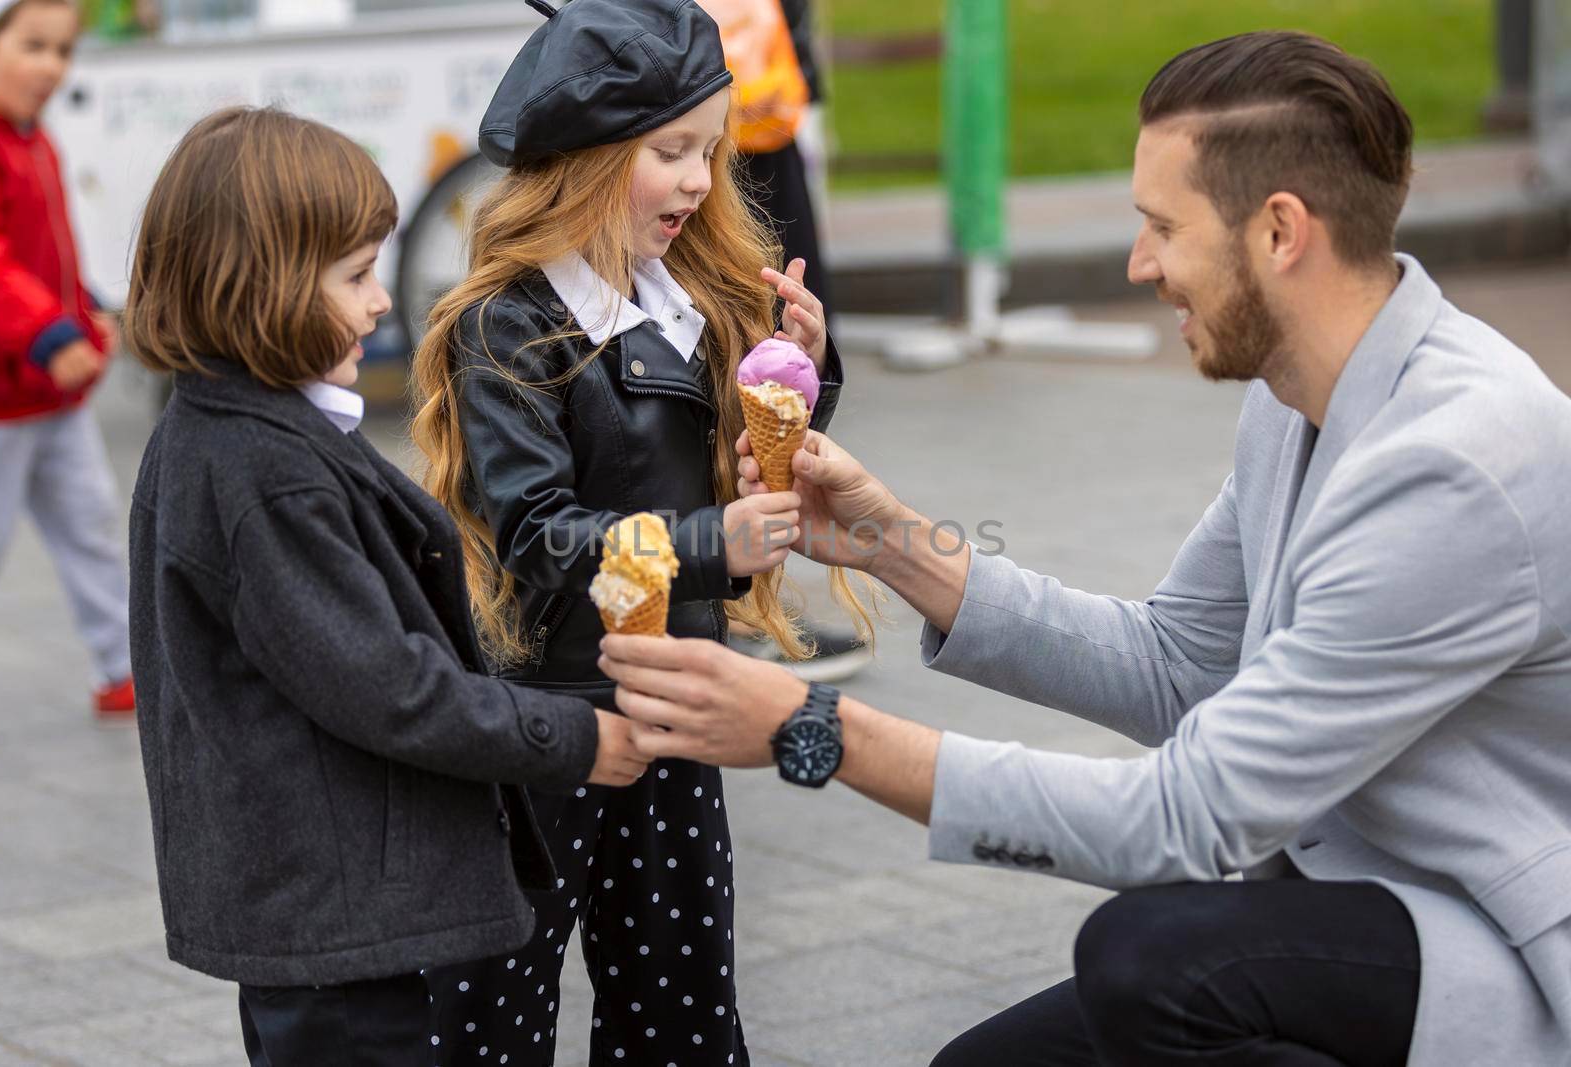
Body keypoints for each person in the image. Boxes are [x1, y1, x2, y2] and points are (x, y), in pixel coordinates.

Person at [598, 30, 1571, 1067]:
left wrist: (815, 728)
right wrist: (890, 542)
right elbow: (1176, 664)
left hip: (1503, 946)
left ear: (1281, 231)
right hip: (1351, 907)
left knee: (1152, 957)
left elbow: (1188, 816)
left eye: (1161, 226)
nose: (1138, 263)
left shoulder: (1453, 466)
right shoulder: (1299, 397)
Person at [123, 106, 653, 1065]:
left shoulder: (230, 426)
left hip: (316, 902)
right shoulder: (261, 467)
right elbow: (386, 686)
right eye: (359, 275)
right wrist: (572, 737)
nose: (380, 303)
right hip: (331, 913)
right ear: (264, 285)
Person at [408, 1, 868, 1060]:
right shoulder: (507, 323)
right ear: (585, 158)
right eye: (671, 152)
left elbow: (747, 476)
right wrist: (714, 542)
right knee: (494, 1015)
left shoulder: (687, 302)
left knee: (684, 1014)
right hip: (546, 722)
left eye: (709, 151)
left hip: (675, 705)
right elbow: (537, 530)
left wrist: (803, 377)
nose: (702, 181)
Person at [0, 0, 134, 739]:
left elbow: (50, 250)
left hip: (55, 395)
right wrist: (47, 331)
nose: (52, 66)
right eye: (32, 46)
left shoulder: (37, 140)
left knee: (93, 525)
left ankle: (124, 668)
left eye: (63, 50)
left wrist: (85, 304)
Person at [707, 0, 874, 684]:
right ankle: (732, 610)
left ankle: (747, 603)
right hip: (711, 80)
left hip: (760, 91)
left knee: (780, 342)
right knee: (724, 329)